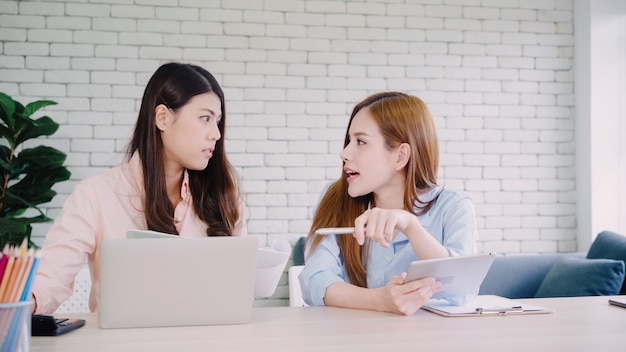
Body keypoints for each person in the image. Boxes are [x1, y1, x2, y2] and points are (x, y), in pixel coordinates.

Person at [32, 62, 247, 314]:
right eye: (205, 118)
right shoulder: (96, 195)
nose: (216, 134)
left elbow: (239, 287)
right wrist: (23, 303)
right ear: (162, 118)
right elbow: (49, 278)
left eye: (218, 121)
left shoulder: (223, 196)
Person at [300, 91, 477, 315]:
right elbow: (314, 280)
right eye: (349, 141)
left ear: (400, 156)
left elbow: (462, 290)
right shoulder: (334, 197)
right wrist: (379, 300)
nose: (344, 153)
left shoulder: (453, 206)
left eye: (361, 142)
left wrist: (411, 226)